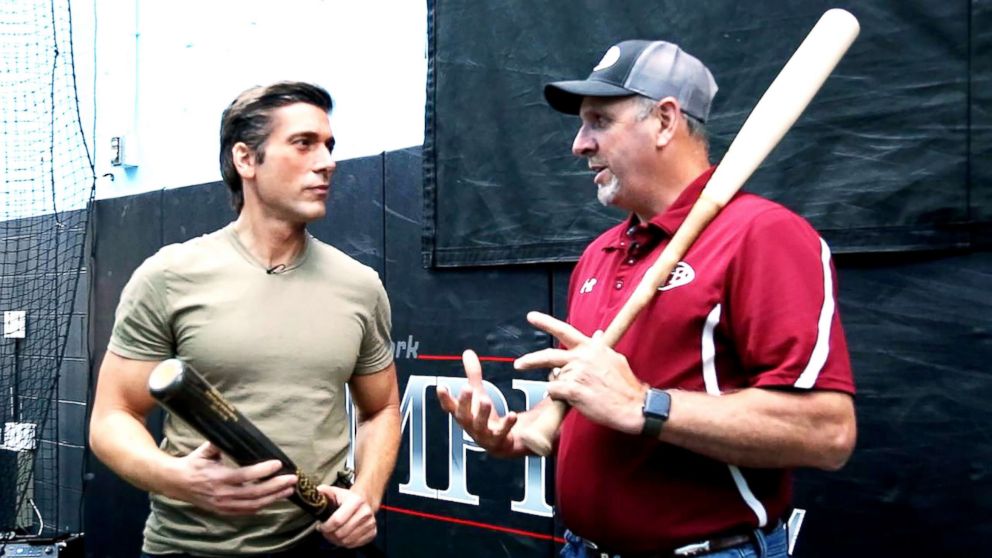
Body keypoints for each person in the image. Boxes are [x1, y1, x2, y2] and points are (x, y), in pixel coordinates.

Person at [438, 40, 856, 557]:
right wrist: (517, 432)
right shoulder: (599, 254)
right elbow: (595, 396)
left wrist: (645, 405)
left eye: (598, 121)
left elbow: (827, 431)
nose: (579, 144)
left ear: (664, 120)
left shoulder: (763, 235)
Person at [89, 81, 401, 557]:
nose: (327, 161)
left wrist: (365, 496)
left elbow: (380, 410)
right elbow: (113, 417)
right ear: (245, 159)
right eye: (304, 143)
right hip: (191, 547)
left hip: (320, 544)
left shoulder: (359, 285)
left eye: (329, 145)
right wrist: (178, 478)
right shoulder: (169, 276)